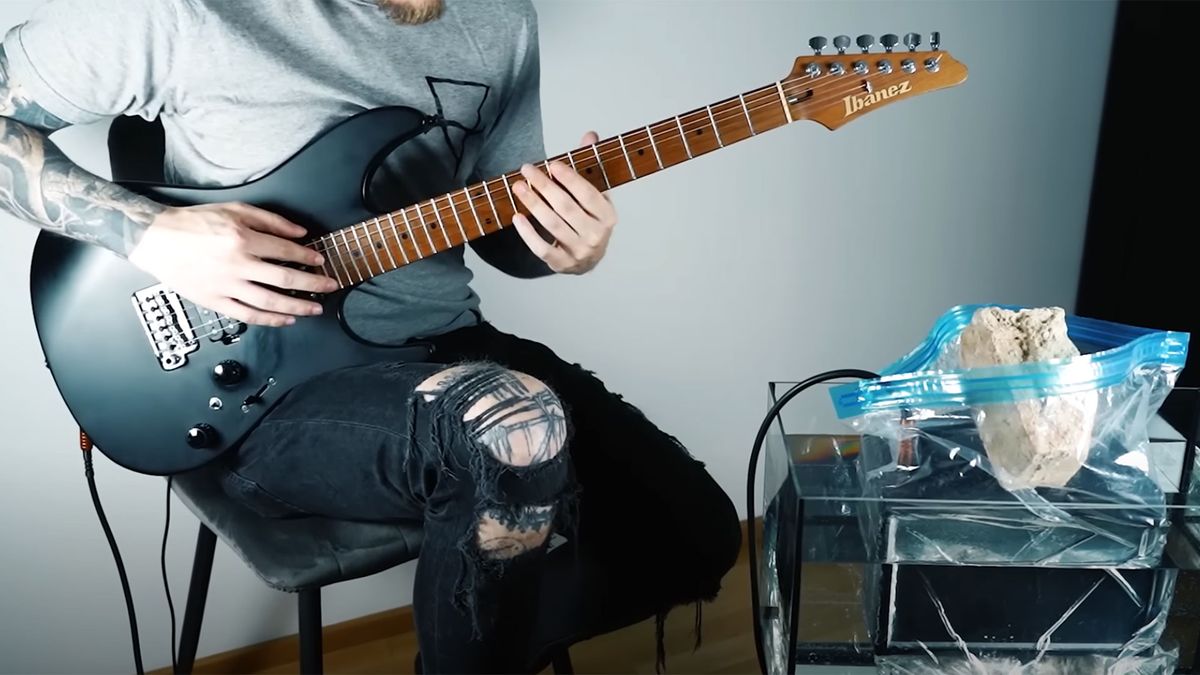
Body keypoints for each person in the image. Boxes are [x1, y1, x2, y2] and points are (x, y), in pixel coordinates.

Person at [1, 0, 741, 672]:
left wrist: (565, 245)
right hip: (274, 393)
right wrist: (155, 233)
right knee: (514, 425)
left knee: (694, 536)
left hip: (450, 349)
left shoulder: (501, 20)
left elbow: (506, 231)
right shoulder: (187, 12)